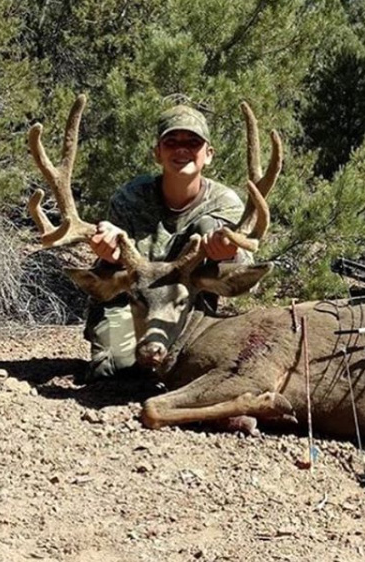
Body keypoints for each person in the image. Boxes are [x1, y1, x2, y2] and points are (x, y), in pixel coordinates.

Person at [84, 104, 249, 382]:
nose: (182, 149)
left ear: (208, 155)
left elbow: (245, 275)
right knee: (115, 370)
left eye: (193, 142)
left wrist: (229, 255)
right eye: (171, 142)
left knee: (211, 227)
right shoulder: (130, 198)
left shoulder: (226, 204)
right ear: (157, 153)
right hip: (131, 306)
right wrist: (109, 254)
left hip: (187, 312)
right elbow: (107, 277)